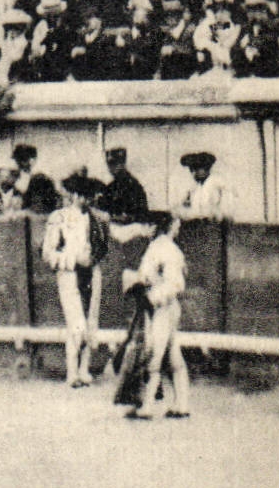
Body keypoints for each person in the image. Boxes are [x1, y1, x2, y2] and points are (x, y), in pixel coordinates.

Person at [116, 213, 190, 420]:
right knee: (173, 355)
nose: (178, 229)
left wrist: (151, 298)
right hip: (163, 306)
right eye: (176, 226)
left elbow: (174, 284)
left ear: (155, 227)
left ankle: (147, 406)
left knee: (153, 355)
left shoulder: (163, 248)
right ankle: (181, 404)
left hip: (162, 307)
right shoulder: (162, 247)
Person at [44, 174, 108, 388]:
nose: (85, 200)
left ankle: (84, 370)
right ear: (73, 194)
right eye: (82, 195)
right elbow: (48, 253)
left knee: (90, 322)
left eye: (89, 196)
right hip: (70, 274)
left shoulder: (96, 218)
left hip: (91, 272)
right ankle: (72, 372)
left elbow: (102, 247)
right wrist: (73, 260)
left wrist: (90, 260)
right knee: (76, 323)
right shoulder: (59, 217)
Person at [176, 151, 230, 220]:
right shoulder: (194, 187)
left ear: (207, 168)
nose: (194, 173)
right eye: (192, 170)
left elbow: (223, 209)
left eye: (198, 169)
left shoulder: (217, 183)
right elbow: (186, 207)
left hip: (214, 223)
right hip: (195, 222)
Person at [13, 143, 59, 214]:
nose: (19, 164)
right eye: (17, 160)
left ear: (32, 160)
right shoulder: (15, 178)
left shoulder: (42, 179)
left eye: (23, 159)